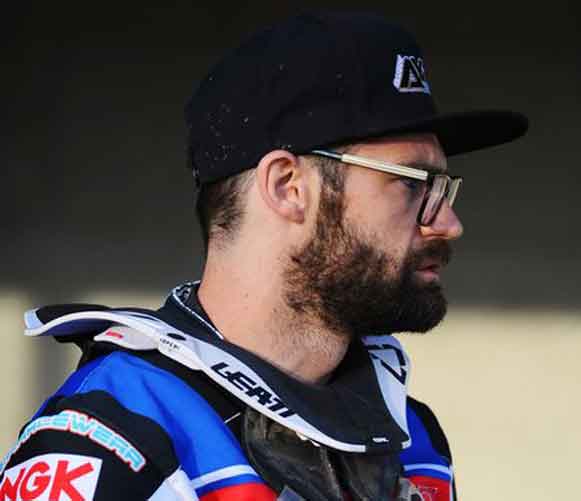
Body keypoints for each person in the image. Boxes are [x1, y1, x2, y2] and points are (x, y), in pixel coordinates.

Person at [0, 10, 527, 501]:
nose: (448, 223)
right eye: (412, 184)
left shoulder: (414, 441)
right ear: (287, 186)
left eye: (444, 190)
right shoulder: (115, 437)